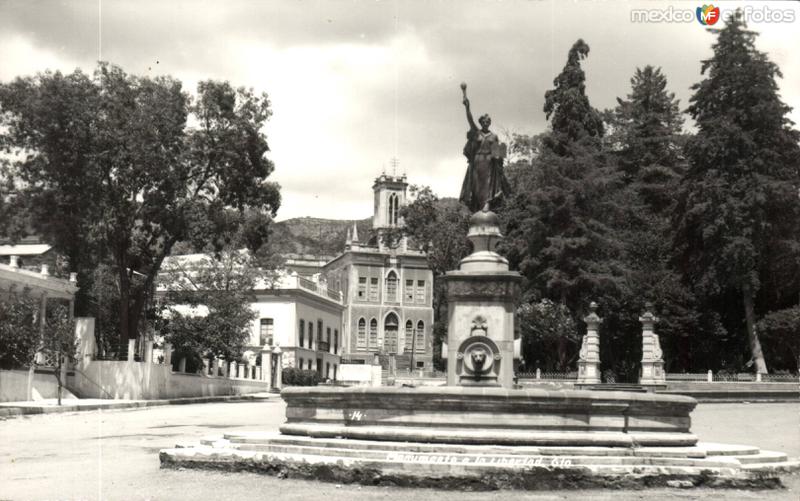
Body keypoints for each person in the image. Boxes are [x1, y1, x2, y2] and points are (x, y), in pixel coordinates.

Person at [459, 89, 510, 213]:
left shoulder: (494, 136)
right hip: (477, 162)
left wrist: (499, 162)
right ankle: (477, 206)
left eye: (488, 121)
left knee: (489, 185)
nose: (486, 123)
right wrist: (467, 108)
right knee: (476, 186)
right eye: (484, 121)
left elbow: (498, 155)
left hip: (489, 163)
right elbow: (470, 120)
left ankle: (487, 203)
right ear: (481, 122)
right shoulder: (477, 133)